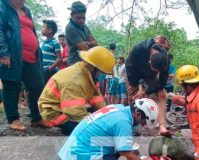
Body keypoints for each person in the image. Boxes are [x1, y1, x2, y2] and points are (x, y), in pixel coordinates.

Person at [38, 46, 115, 135]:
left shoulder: (87, 74)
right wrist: (98, 123)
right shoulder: (74, 80)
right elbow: (75, 112)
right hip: (53, 112)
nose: (101, 75)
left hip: (65, 108)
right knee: (85, 130)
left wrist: (107, 115)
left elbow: (97, 100)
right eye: (101, 72)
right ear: (94, 68)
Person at [58, 98, 158, 160]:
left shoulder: (118, 108)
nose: (143, 126)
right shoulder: (123, 122)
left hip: (73, 149)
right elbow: (125, 154)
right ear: (137, 114)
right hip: (79, 154)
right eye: (144, 122)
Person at [0, 0, 47, 131]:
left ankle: (36, 118)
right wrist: (3, 53)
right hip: (12, 55)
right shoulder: (2, 8)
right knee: (11, 86)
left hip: (32, 56)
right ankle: (13, 119)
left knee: (37, 86)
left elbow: (31, 31)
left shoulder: (26, 10)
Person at [126, 35, 172, 136]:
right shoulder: (139, 48)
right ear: (149, 62)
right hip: (134, 70)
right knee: (132, 94)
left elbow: (162, 83)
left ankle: (162, 126)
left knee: (161, 94)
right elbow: (129, 65)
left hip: (149, 75)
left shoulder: (166, 59)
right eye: (156, 71)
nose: (158, 74)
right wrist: (133, 85)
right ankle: (131, 124)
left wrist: (145, 91)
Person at [65, 1, 97, 65]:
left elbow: (95, 43)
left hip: (85, 63)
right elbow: (85, 48)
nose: (81, 20)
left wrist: (87, 43)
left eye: (83, 17)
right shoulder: (70, 28)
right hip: (74, 64)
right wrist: (90, 43)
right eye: (78, 18)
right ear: (71, 15)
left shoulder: (84, 26)